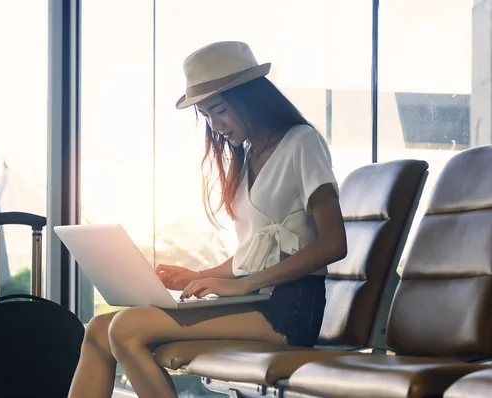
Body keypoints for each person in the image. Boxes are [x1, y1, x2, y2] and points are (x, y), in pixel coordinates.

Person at [68, 41, 347, 398]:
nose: (215, 126)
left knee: (125, 328)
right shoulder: (249, 155)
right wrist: (201, 276)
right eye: (207, 116)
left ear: (250, 98)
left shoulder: (302, 142)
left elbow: (334, 243)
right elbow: (258, 250)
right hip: (256, 303)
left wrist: (244, 285)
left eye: (220, 111)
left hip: (289, 310)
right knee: (97, 328)